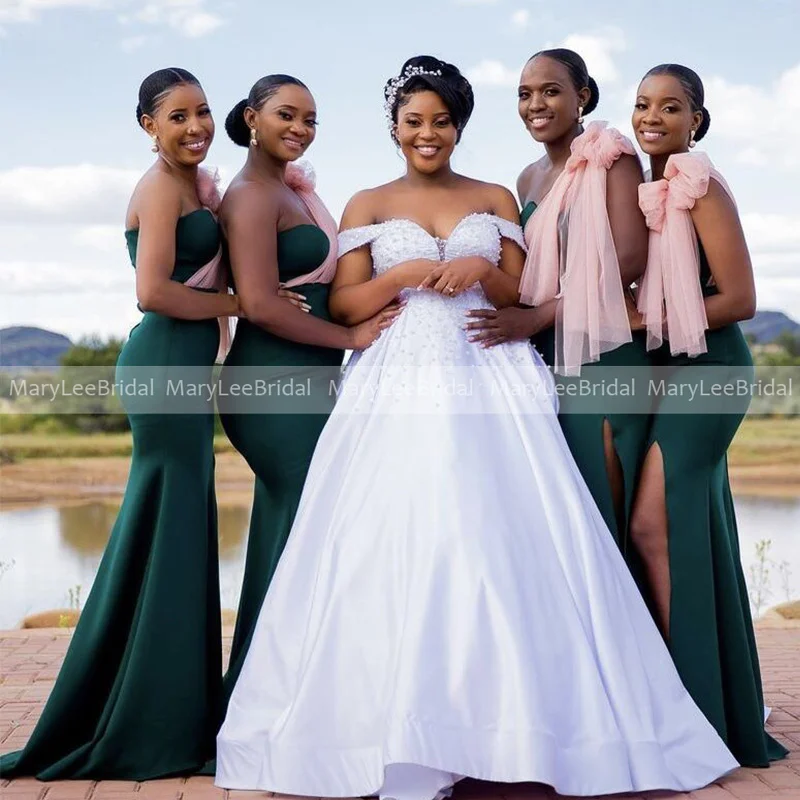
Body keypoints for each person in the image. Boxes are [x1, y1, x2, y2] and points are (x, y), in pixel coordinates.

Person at [214, 55, 738, 800]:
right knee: (395, 540)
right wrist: (400, 278)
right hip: (398, 378)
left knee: (502, 537)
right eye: (414, 121)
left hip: (489, 367)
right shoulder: (365, 201)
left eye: (442, 121)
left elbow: (526, 290)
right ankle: (394, 728)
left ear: (459, 126)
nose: (428, 133)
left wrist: (476, 273)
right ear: (394, 128)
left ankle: (518, 726)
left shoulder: (495, 192)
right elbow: (344, 308)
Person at [0, 68, 239, 780]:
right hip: (164, 364)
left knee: (178, 528)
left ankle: (172, 707)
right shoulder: (160, 188)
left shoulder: (191, 186)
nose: (195, 126)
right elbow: (153, 290)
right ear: (147, 126)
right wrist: (242, 302)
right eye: (177, 116)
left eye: (202, 112)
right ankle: (146, 720)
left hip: (184, 369)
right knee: (167, 529)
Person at [216, 74, 398, 699]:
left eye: (311, 120)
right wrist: (351, 341)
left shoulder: (284, 187)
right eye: (286, 115)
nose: (300, 128)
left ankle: (281, 687)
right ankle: (276, 695)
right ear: (251, 118)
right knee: (308, 525)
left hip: (309, 379)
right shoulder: (249, 196)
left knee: (300, 526)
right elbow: (262, 306)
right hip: (273, 385)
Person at [628, 62, 788, 767]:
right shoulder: (649, 191)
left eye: (671, 107)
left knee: (651, 522)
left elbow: (741, 299)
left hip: (712, 371)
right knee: (694, 526)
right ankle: (707, 693)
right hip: (668, 374)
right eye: (642, 105)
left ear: (697, 120)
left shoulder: (701, 187)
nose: (653, 118)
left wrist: (636, 321)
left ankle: (690, 706)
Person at [465, 48, 650, 548]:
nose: (535, 104)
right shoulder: (526, 179)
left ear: (582, 97)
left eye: (550, 91)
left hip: (603, 350)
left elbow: (628, 259)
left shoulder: (613, 156)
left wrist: (538, 317)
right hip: (543, 355)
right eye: (524, 94)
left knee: (604, 504)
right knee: (561, 513)